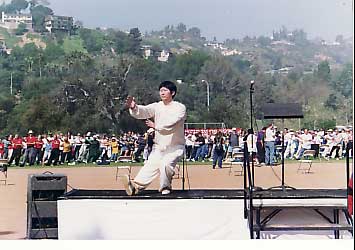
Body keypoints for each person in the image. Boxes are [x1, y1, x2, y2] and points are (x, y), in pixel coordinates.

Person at [121, 80, 186, 195]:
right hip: (159, 146)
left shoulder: (179, 108)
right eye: (161, 90)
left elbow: (174, 123)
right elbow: (144, 111)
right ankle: (136, 187)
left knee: (166, 164)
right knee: (150, 165)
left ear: (173, 93)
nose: (162, 93)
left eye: (165, 90)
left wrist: (156, 126)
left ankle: (165, 187)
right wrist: (134, 107)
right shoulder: (157, 106)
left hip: (175, 147)